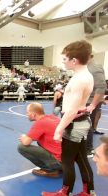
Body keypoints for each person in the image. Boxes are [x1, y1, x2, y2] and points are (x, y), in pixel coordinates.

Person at [42, 40, 95, 196]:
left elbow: (71, 110)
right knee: (81, 159)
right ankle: (88, 191)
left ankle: (65, 192)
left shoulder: (79, 79)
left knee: (67, 160)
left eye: (65, 59)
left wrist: (59, 129)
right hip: (80, 122)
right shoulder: (85, 75)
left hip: (74, 124)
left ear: (74, 60)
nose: (63, 62)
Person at [18, 102, 62, 178]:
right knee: (39, 142)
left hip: (58, 162)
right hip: (65, 159)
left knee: (21, 147)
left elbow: (26, 142)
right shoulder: (52, 117)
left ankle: (51, 170)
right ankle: (55, 166)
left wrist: (23, 137)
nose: (27, 114)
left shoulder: (40, 122)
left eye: (28, 112)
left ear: (34, 114)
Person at [86, 54, 106, 156]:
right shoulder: (86, 67)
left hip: (90, 101)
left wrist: (93, 104)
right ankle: (85, 148)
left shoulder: (95, 67)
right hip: (86, 100)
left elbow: (101, 87)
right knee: (85, 125)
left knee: (87, 125)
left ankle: (88, 148)